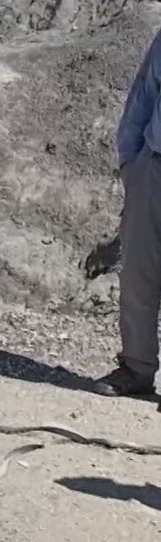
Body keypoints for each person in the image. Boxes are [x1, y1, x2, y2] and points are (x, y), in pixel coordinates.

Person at [95, 25, 161, 399]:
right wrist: (130, 163)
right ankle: (136, 369)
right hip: (153, 169)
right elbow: (143, 98)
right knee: (138, 274)